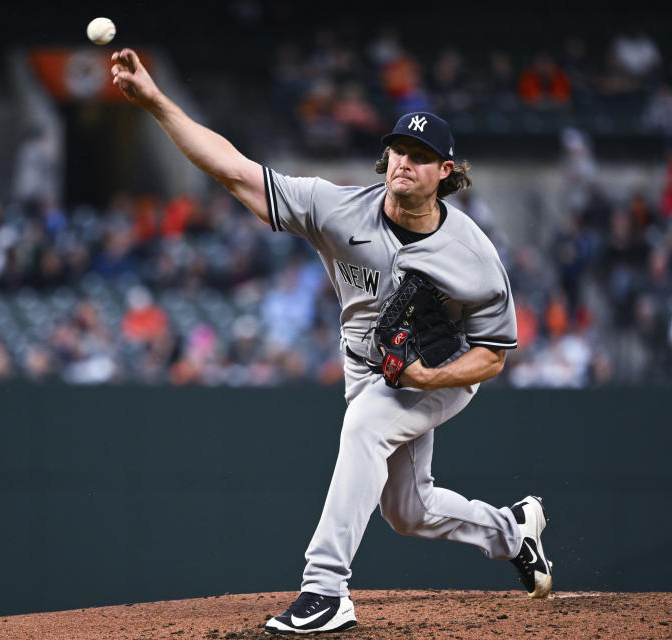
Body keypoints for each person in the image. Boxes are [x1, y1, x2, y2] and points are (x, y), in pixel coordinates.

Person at [111, 48, 552, 635]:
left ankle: (325, 589)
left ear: (446, 172)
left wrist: (424, 377)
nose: (405, 163)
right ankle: (511, 531)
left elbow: (493, 356)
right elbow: (235, 170)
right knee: (408, 511)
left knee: (367, 424)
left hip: (441, 370)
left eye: (422, 157)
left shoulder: (472, 255)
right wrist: (156, 102)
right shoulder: (338, 209)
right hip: (367, 366)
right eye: (399, 150)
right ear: (385, 155)